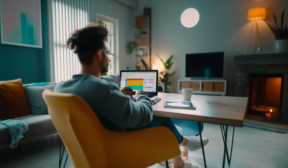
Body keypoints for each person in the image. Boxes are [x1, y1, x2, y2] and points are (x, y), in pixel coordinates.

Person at [55, 23, 209, 168]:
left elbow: (97, 105)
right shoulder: (100, 88)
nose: (109, 59)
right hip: (116, 150)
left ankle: (182, 153)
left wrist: (116, 95)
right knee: (162, 120)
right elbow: (142, 116)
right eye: (108, 53)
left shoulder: (61, 88)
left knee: (163, 120)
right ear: (98, 54)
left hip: (90, 149)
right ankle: (184, 148)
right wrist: (142, 95)